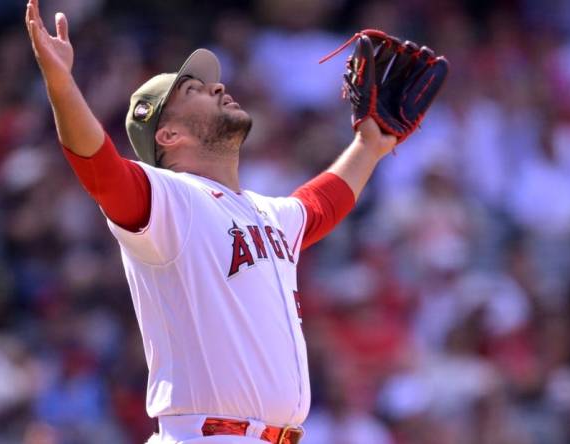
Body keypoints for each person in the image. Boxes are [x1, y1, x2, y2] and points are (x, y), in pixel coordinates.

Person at [25, 0, 397, 442]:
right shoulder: (170, 200)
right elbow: (99, 167)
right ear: (169, 135)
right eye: (194, 91)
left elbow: (321, 204)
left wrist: (369, 146)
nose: (218, 88)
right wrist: (61, 85)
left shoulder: (266, 211)